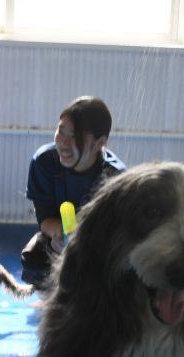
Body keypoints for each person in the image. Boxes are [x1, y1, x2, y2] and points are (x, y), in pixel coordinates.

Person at [20, 96, 126, 289]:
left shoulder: (115, 178)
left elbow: (117, 236)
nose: (64, 143)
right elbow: (45, 217)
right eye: (61, 132)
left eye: (75, 137)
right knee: (34, 260)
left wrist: (82, 244)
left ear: (100, 142)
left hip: (98, 247)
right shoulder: (45, 162)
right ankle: (51, 297)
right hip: (62, 238)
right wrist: (59, 234)